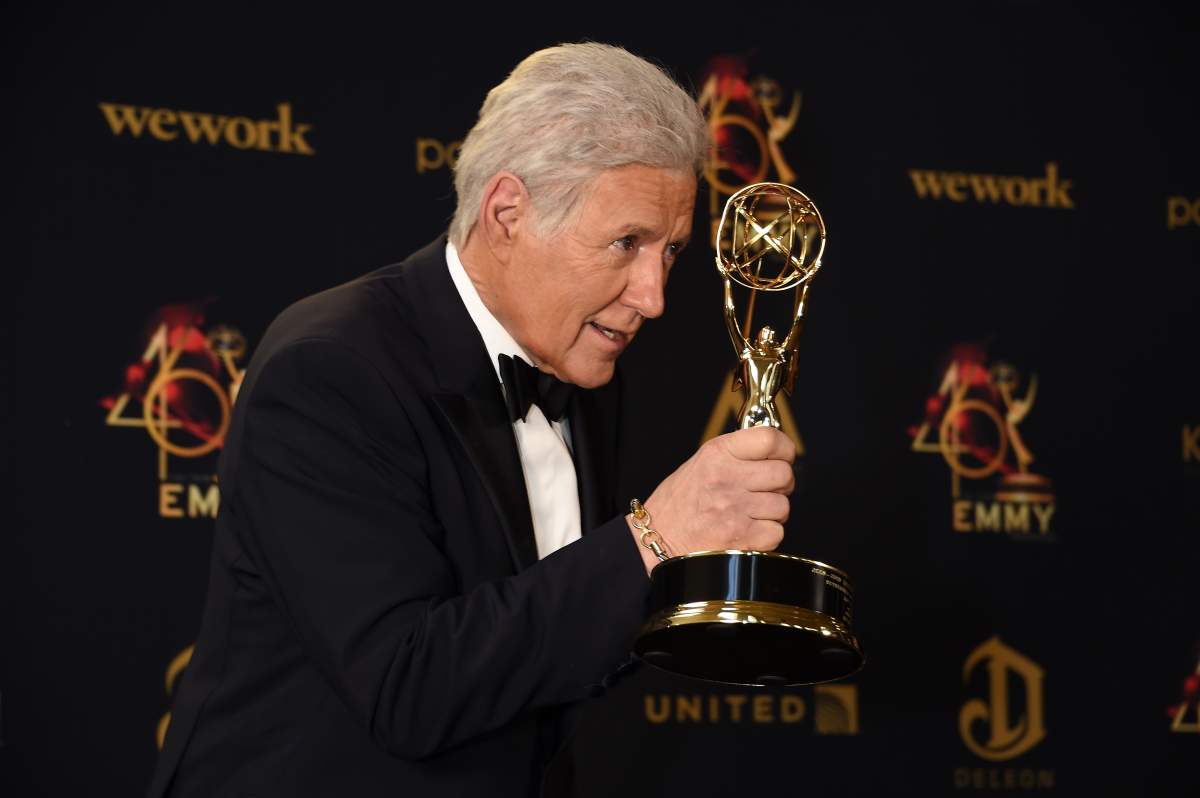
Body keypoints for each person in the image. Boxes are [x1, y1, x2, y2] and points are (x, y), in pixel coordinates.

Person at [147, 42, 797, 798]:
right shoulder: (329, 370)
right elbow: (406, 688)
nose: (653, 296)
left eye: (672, 251)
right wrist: (656, 540)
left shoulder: (583, 361)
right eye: (627, 244)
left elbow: (539, 649)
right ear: (507, 214)